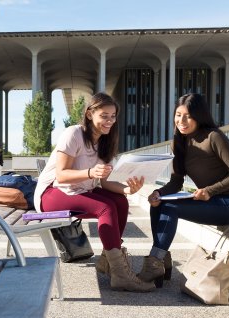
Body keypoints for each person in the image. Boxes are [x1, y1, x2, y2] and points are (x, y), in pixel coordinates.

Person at [34, 92, 154, 292]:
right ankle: (120, 273)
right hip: (52, 193)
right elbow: (61, 175)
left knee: (120, 201)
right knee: (105, 207)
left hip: (78, 191)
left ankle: (109, 259)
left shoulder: (105, 141)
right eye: (104, 116)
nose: (109, 121)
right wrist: (89, 172)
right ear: (90, 114)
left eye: (113, 116)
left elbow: (105, 183)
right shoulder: (74, 134)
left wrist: (127, 189)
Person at [139, 93, 229, 286]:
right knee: (159, 204)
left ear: (199, 116)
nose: (182, 121)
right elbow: (176, 182)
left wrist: (210, 190)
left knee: (171, 208)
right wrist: (159, 193)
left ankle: (155, 263)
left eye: (188, 116)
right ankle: (161, 259)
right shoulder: (178, 143)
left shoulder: (213, 137)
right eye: (178, 115)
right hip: (209, 201)